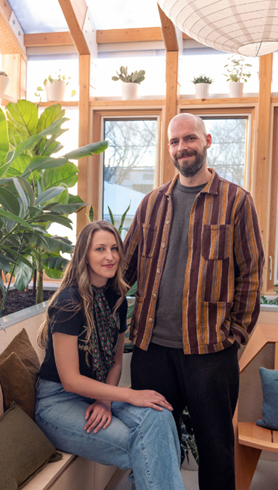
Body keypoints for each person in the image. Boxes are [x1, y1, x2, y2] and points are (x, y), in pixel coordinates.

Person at [123, 113, 265, 490]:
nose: (182, 147)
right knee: (153, 446)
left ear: (207, 141)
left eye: (189, 139)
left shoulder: (237, 202)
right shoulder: (151, 204)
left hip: (210, 354)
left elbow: (252, 273)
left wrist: (236, 336)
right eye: (174, 142)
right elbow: (125, 269)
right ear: (168, 148)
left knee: (216, 451)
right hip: (152, 353)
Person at [35, 220, 186, 490]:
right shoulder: (68, 303)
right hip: (57, 402)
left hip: (96, 395)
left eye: (115, 248)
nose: (110, 256)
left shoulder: (115, 298)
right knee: (145, 446)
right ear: (84, 255)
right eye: (100, 249)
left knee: (159, 415)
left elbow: (116, 362)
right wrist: (131, 394)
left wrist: (104, 401)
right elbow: (70, 381)